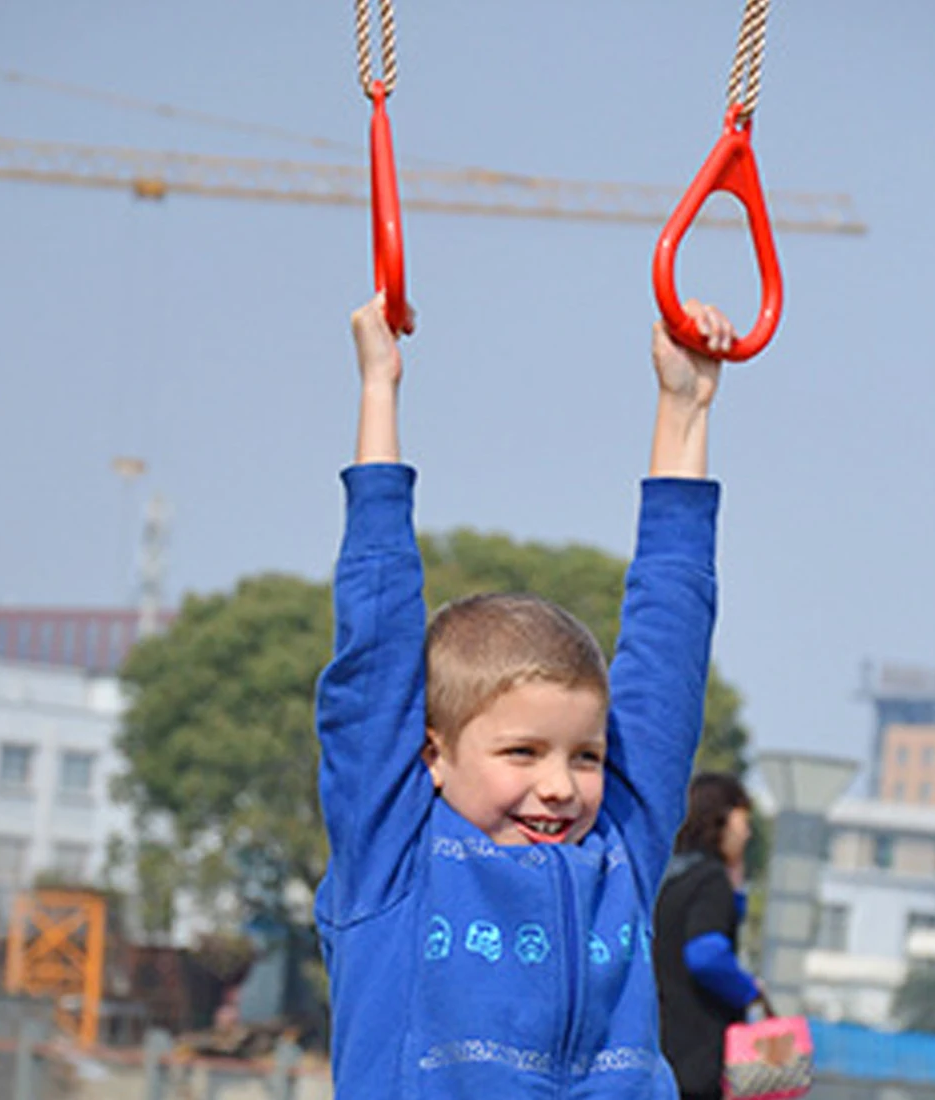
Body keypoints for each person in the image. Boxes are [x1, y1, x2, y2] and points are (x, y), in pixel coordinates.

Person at [314, 290, 735, 1098]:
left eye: (586, 756)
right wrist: (379, 389)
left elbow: (670, 645)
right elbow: (373, 637)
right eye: (521, 752)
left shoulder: (618, 849)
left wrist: (683, 408)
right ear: (431, 753)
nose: (560, 786)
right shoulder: (392, 855)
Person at [653, 771, 763, 1100]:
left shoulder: (670, 876)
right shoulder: (710, 879)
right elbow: (706, 955)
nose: (747, 834)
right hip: (696, 1060)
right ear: (722, 821)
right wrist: (749, 991)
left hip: (657, 1051)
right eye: (743, 822)